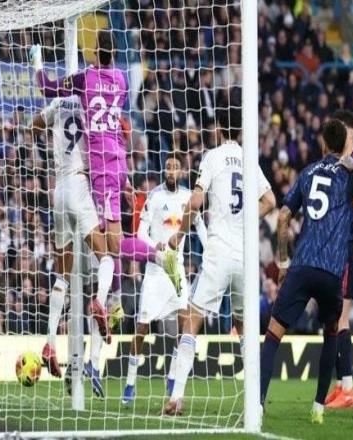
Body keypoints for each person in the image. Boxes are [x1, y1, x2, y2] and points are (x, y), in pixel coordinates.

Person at [30, 29, 178, 334]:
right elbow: (114, 121)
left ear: (96, 52)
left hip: (100, 169)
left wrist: (37, 62)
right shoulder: (121, 80)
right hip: (118, 162)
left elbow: (47, 87)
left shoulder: (84, 78)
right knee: (110, 245)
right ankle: (113, 299)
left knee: (113, 245)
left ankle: (156, 260)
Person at [259, 120, 353, 425]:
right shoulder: (349, 175)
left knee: (273, 334)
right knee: (332, 332)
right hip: (331, 271)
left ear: (323, 144)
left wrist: (283, 262)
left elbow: (284, 217)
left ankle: (259, 405)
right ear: (345, 145)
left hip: (302, 265)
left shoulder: (306, 173)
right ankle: (318, 407)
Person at [161, 125, 276, 415]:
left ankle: (176, 398)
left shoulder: (213, 156)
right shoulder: (249, 159)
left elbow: (195, 201)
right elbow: (271, 201)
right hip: (244, 256)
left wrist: (179, 235)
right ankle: (255, 402)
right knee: (244, 328)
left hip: (219, 252)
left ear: (220, 128)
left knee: (192, 321)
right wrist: (246, 219)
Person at [31, 96, 114, 398]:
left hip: (59, 190)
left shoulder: (57, 103)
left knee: (62, 276)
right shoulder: (91, 102)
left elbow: (34, 126)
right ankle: (100, 303)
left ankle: (50, 342)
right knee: (106, 257)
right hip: (80, 186)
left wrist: (49, 125)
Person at [121, 153, 207, 405]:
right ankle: (130, 383)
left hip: (177, 270)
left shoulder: (188, 198)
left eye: (175, 167)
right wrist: (153, 245)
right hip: (156, 269)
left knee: (183, 326)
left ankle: (172, 378)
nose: (170, 171)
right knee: (142, 327)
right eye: (167, 167)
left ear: (181, 172)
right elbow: (140, 232)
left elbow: (200, 227)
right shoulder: (154, 196)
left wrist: (210, 251)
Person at [325, 110, 353, 409]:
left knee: (341, 317)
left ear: (351, 133)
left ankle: (348, 387)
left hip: (349, 248)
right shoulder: (339, 165)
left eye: (343, 130)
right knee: (332, 316)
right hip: (335, 250)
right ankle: (340, 384)